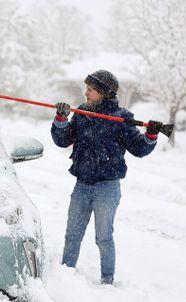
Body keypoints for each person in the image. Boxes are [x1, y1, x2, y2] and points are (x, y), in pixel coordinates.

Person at [51, 69, 164, 285]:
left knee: (103, 238)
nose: (86, 93)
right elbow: (63, 139)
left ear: (104, 93)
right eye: (87, 89)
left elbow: (139, 148)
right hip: (82, 185)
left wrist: (151, 135)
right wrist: (61, 119)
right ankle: (65, 278)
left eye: (91, 90)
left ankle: (107, 281)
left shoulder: (121, 119)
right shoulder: (83, 113)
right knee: (72, 235)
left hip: (107, 188)